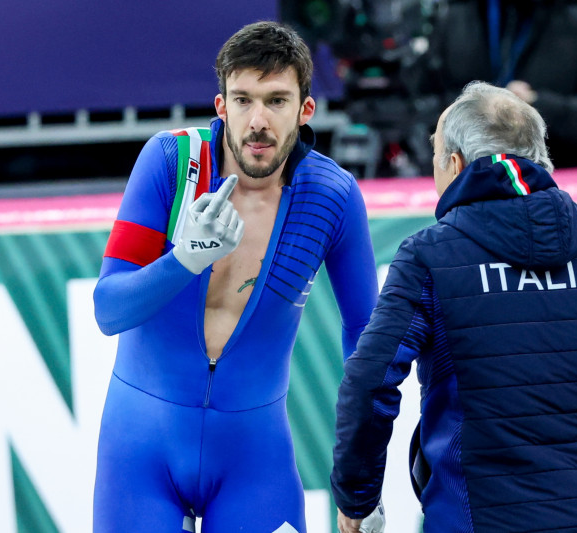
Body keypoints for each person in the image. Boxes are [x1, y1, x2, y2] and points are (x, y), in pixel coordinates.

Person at [330, 82, 577, 533]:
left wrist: (357, 499)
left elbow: (370, 380)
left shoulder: (429, 256)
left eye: (435, 157)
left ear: (455, 165)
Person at [92, 21, 381, 533]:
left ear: (305, 109)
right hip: (140, 453)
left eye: (276, 101)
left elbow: (366, 337)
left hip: (254, 460)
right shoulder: (170, 162)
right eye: (243, 100)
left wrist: (364, 473)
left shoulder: (332, 196)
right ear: (221, 106)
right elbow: (108, 311)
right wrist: (185, 260)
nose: (258, 121)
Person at [411, 0, 577, 168]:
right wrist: (474, 111)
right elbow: (417, 103)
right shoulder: (455, 17)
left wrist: (532, 108)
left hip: (562, 184)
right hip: (465, 184)